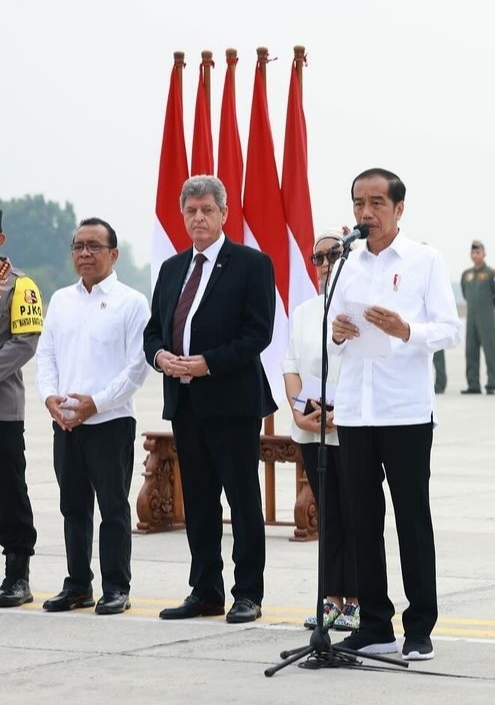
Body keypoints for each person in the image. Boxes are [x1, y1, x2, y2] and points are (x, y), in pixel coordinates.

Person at [328, 168, 463, 661]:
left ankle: (420, 626)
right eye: (359, 203)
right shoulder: (345, 263)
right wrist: (337, 334)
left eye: (377, 203)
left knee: (411, 519)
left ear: (399, 209)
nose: (366, 213)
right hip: (355, 413)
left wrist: (408, 330)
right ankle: (374, 624)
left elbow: (450, 329)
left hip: (404, 412)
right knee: (361, 520)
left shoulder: (426, 261)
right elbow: (327, 336)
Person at [143, 174, 276, 624]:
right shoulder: (171, 268)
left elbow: (258, 334)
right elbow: (153, 331)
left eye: (207, 210)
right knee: (198, 503)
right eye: (191, 211)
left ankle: (248, 594)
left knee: (241, 500)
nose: (198, 218)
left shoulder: (252, 264)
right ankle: (204, 590)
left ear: (223, 215)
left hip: (232, 402)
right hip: (185, 404)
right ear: (183, 216)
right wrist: (160, 356)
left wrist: (207, 363)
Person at [35, 217, 149, 616]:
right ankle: (78, 584)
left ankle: (116, 586)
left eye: (94, 246)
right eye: (78, 246)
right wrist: (50, 397)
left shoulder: (131, 302)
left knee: (113, 508)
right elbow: (46, 355)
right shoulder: (62, 300)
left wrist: (95, 403)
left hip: (110, 422)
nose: (85, 253)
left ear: (113, 254)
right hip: (65, 422)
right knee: (73, 506)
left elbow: (137, 367)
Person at [283, 229, 359, 631]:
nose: (326, 264)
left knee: (355, 516)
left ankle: (358, 600)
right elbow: (291, 364)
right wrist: (299, 413)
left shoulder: (358, 309)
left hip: (349, 428)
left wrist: (340, 413)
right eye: (319, 258)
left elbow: (366, 367)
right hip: (311, 428)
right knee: (327, 518)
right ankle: (330, 599)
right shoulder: (305, 311)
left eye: (334, 256)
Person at [0, 209, 42, 609]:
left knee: (9, 490)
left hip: (2, 411)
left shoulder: (20, 286)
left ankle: (17, 573)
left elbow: (24, 343)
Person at [460, 240, 495, 395]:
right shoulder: (467, 275)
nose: (475, 255)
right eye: (473, 252)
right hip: (471, 317)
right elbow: (465, 294)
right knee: (470, 350)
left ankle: (491, 384)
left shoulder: (492, 273)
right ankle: (473, 384)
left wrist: (488, 307)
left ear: (484, 254)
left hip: (487, 318)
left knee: (490, 350)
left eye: (478, 252)